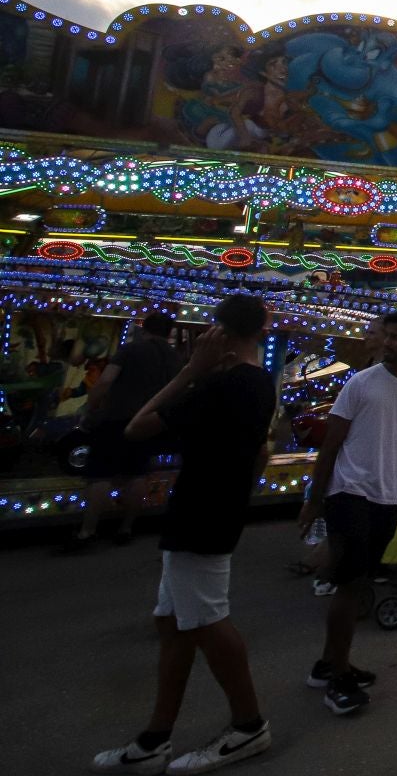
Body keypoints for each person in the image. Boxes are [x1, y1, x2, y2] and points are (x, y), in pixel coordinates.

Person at [90, 296, 276, 776]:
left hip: (201, 511)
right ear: (265, 326)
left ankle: (248, 724)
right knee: (173, 623)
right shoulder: (258, 384)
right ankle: (156, 737)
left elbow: (138, 426)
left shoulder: (222, 385)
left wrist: (190, 370)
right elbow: (259, 454)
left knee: (208, 620)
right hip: (213, 506)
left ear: (215, 332)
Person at [299, 310, 397, 717]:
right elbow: (331, 445)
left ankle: (329, 663)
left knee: (357, 581)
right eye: (388, 335)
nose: (388, 343)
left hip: (389, 496)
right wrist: (315, 498)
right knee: (351, 584)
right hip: (350, 491)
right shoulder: (361, 383)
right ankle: (338, 679)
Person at [64, 311, 178, 552]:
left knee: (100, 474)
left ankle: (87, 531)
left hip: (117, 417)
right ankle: (126, 528)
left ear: (144, 328)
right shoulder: (174, 357)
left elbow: (105, 381)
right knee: (137, 473)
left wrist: (90, 408)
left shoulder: (130, 349)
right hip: (150, 422)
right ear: (169, 332)